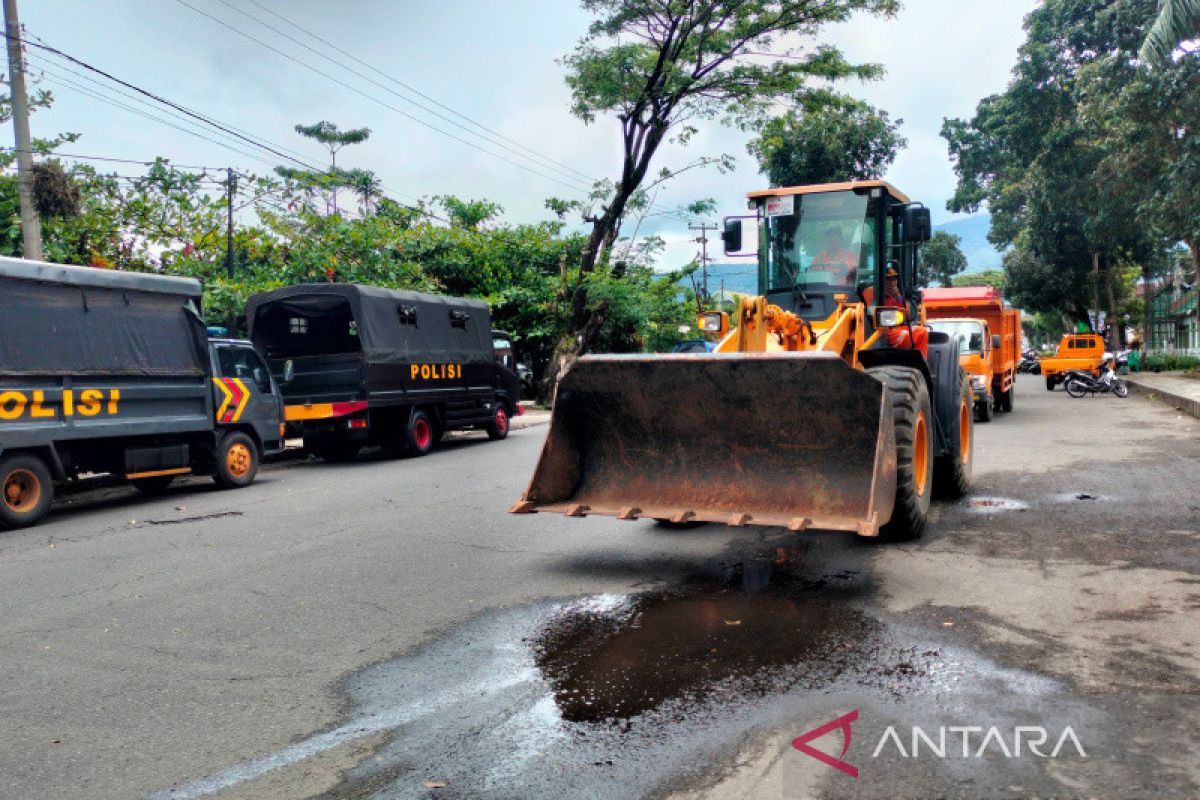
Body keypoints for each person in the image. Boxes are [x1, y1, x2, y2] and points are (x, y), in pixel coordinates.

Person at [881, 267, 928, 356]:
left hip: (895, 329)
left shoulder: (896, 297)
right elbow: (870, 312)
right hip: (881, 332)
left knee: (922, 332)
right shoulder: (872, 293)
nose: (892, 283)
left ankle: (920, 364)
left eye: (894, 279)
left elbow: (906, 314)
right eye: (888, 279)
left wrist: (897, 296)